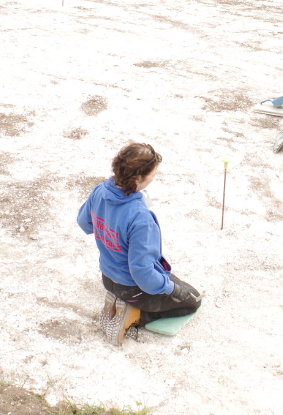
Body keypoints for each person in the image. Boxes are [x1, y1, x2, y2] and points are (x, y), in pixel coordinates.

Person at [77, 142, 202, 346]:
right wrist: (170, 289)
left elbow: (85, 223)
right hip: (132, 287)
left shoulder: (99, 191)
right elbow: (142, 273)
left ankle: (121, 298)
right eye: (153, 174)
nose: (154, 178)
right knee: (192, 300)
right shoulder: (140, 218)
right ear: (138, 180)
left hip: (108, 277)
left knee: (168, 281)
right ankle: (134, 315)